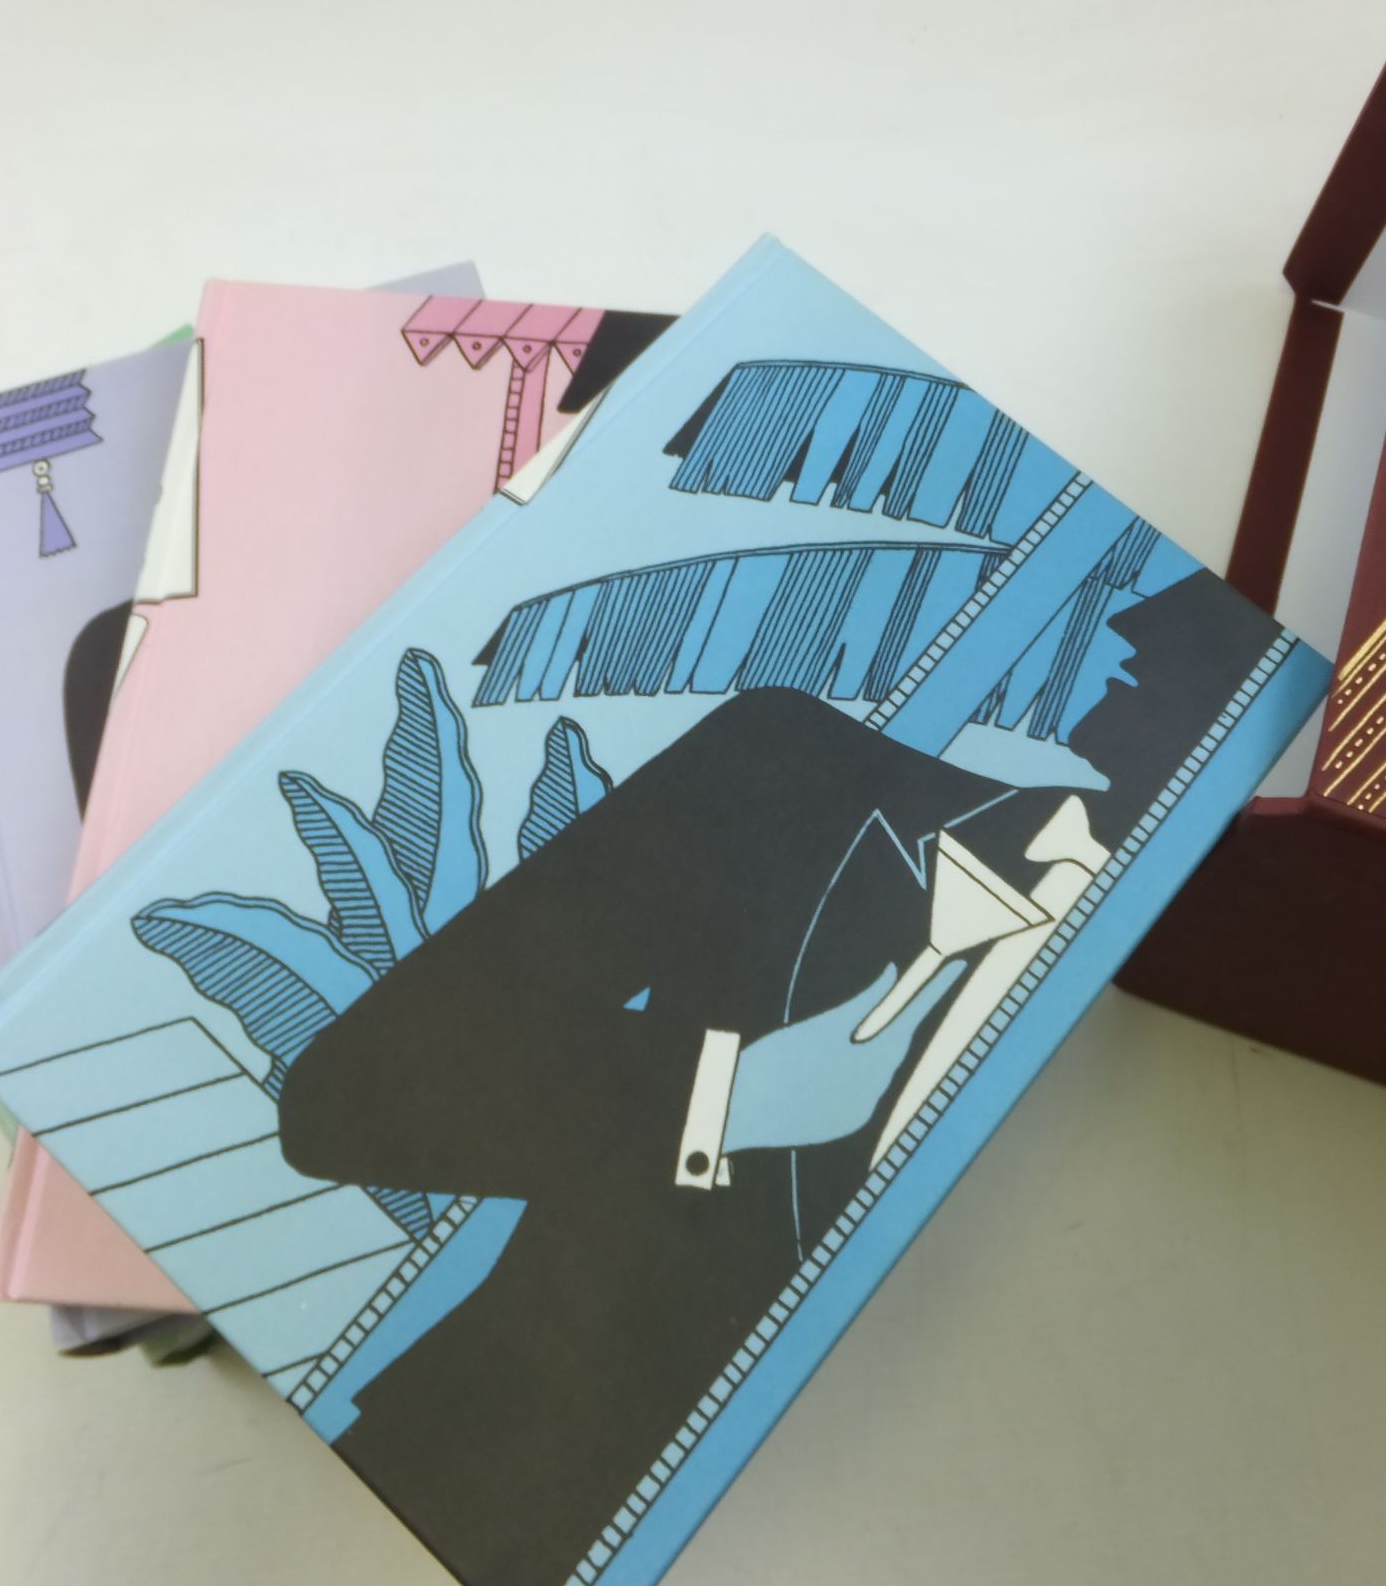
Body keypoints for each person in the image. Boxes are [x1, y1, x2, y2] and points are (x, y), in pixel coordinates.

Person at [278, 570, 1279, 1586]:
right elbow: (352, 1093)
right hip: (512, 1479)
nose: (1132, 641)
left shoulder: (1237, 976)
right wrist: (734, 1095)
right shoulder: (785, 769)